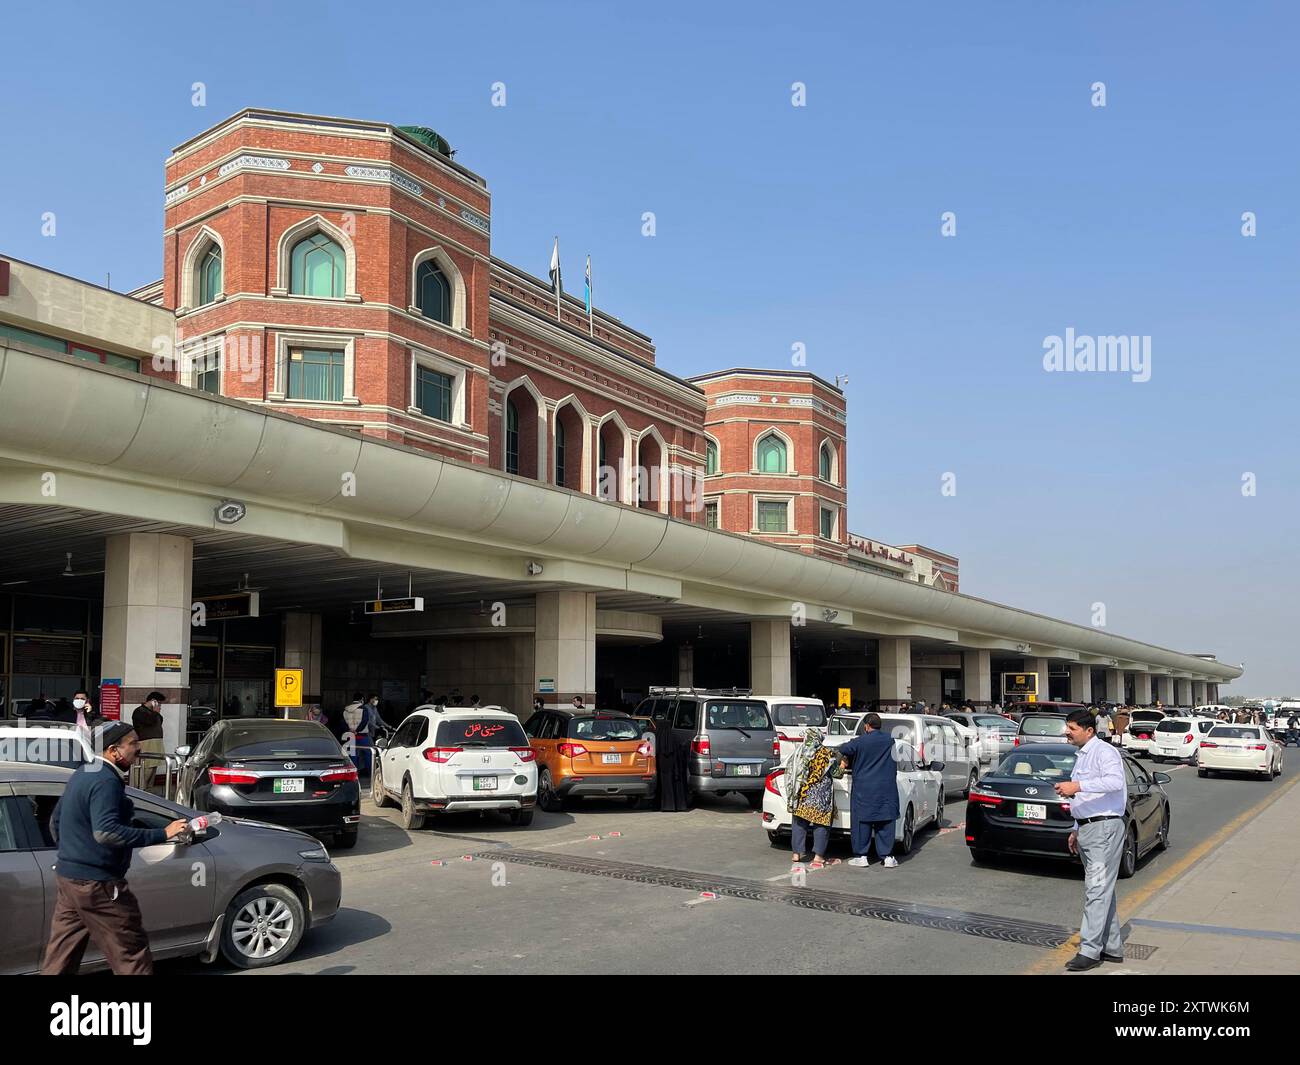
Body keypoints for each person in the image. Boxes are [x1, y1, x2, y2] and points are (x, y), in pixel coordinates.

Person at [40, 722, 189, 974]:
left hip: (69, 877)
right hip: (99, 883)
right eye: (133, 743)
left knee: (62, 953)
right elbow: (106, 832)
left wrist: (73, 855)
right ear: (113, 750)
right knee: (130, 951)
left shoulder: (83, 772)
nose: (138, 749)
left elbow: (56, 820)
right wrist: (163, 832)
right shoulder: (105, 780)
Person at [1055, 708, 1128, 971]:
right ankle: (1111, 946)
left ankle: (1090, 950)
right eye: (1067, 727)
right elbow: (1084, 800)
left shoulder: (1104, 752)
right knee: (1102, 889)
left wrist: (1077, 786)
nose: (1067, 732)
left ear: (1089, 730)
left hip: (1103, 830)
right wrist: (1076, 828)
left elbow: (1115, 781)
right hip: (1089, 829)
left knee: (1096, 889)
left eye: (1072, 728)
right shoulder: (1083, 756)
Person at [837, 713, 900, 869]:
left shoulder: (859, 742)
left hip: (864, 790)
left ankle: (861, 856)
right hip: (886, 789)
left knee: (862, 822)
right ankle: (888, 857)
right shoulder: (889, 740)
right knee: (885, 822)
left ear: (866, 726)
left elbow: (844, 748)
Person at [785, 728, 838, 869]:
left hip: (802, 792)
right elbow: (837, 772)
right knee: (821, 824)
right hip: (821, 795)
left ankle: (796, 854)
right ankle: (818, 857)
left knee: (799, 823)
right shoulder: (826, 753)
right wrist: (842, 764)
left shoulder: (799, 752)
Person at [655, 713, 689, 811]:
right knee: (675, 785)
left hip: (662, 767)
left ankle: (665, 805)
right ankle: (678, 805)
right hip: (675, 768)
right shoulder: (675, 737)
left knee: (663, 785)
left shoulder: (658, 737)